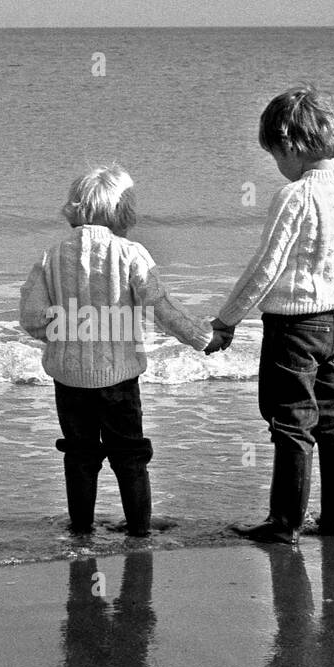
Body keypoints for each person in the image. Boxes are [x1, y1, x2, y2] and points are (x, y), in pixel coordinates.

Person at [20, 165, 226, 536]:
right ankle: (139, 529)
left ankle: (81, 530)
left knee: (80, 455)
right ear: (122, 212)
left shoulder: (52, 257)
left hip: (68, 379)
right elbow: (162, 309)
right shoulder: (131, 254)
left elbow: (32, 318)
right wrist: (202, 337)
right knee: (130, 455)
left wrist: (67, 333)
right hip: (119, 378)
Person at [210, 86, 334, 543]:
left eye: (275, 155)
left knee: (290, 419)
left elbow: (266, 266)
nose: (276, 166)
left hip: (295, 324)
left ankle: (285, 523)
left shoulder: (297, 196)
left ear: (289, 144)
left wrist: (227, 320)